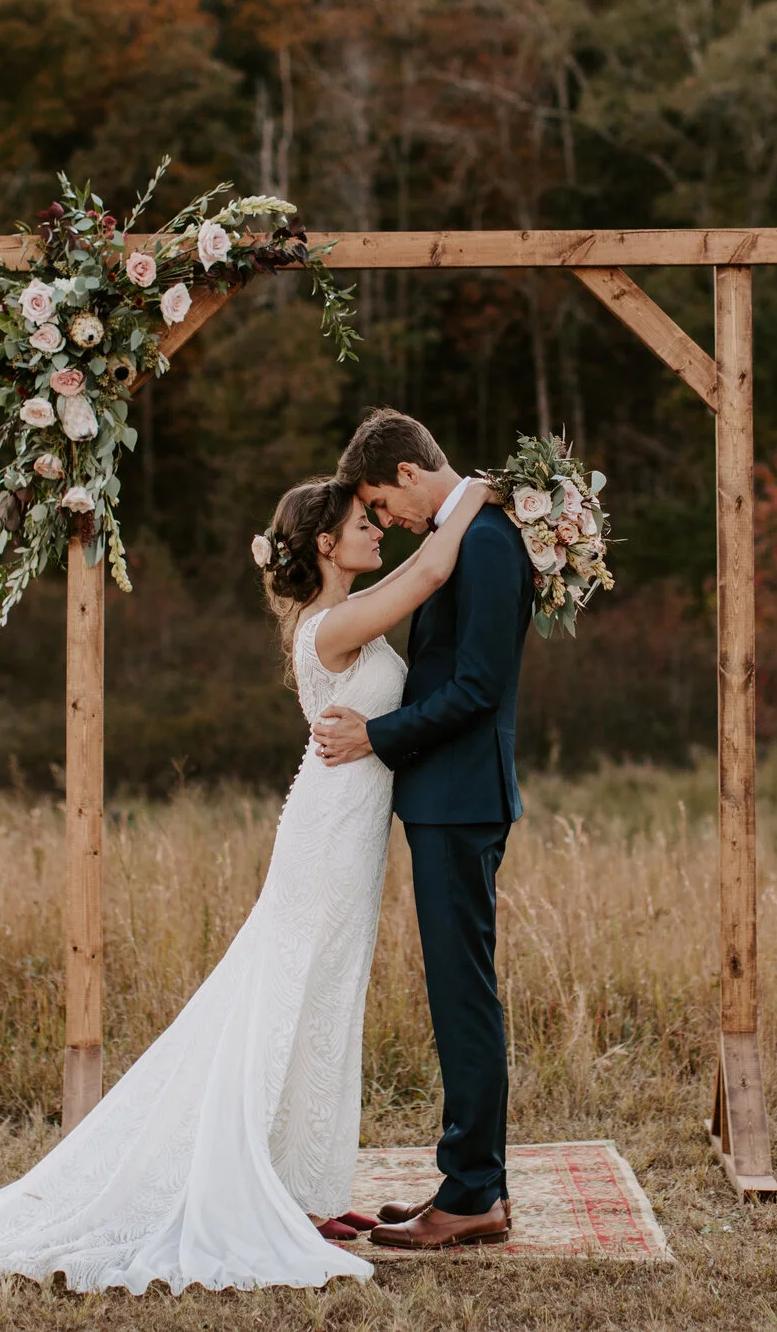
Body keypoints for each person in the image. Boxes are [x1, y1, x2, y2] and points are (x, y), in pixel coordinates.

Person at [0, 471, 490, 1294]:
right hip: (325, 835)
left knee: (327, 1000)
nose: (379, 528)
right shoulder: (331, 625)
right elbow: (430, 570)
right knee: (288, 998)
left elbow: (417, 575)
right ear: (325, 543)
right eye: (363, 521)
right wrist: (482, 492)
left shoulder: (351, 606)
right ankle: (269, 1185)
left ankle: (304, 1188)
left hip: (351, 834)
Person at [312, 408, 534, 1251]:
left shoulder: (485, 542)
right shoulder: (464, 535)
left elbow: (477, 687)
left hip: (460, 795)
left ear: (407, 472)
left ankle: (472, 1192)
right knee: (458, 990)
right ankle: (474, 1181)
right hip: (449, 797)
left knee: (463, 994)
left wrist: (377, 735)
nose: (386, 519)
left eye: (380, 501)